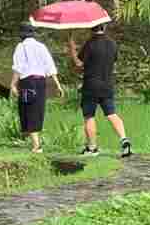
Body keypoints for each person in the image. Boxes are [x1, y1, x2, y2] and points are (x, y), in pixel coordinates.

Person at [68, 24, 130, 158]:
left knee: (89, 116)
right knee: (111, 113)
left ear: (91, 28)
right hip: (107, 84)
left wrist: (72, 49)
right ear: (104, 27)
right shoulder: (113, 44)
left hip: (91, 86)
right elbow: (113, 62)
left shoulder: (90, 44)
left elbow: (79, 65)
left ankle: (92, 148)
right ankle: (124, 140)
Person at [10, 23, 64, 153]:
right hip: (41, 82)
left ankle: (36, 146)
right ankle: (34, 142)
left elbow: (18, 67)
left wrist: (13, 84)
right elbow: (50, 66)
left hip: (28, 82)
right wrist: (58, 85)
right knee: (37, 109)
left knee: (28, 109)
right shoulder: (41, 46)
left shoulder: (21, 47)